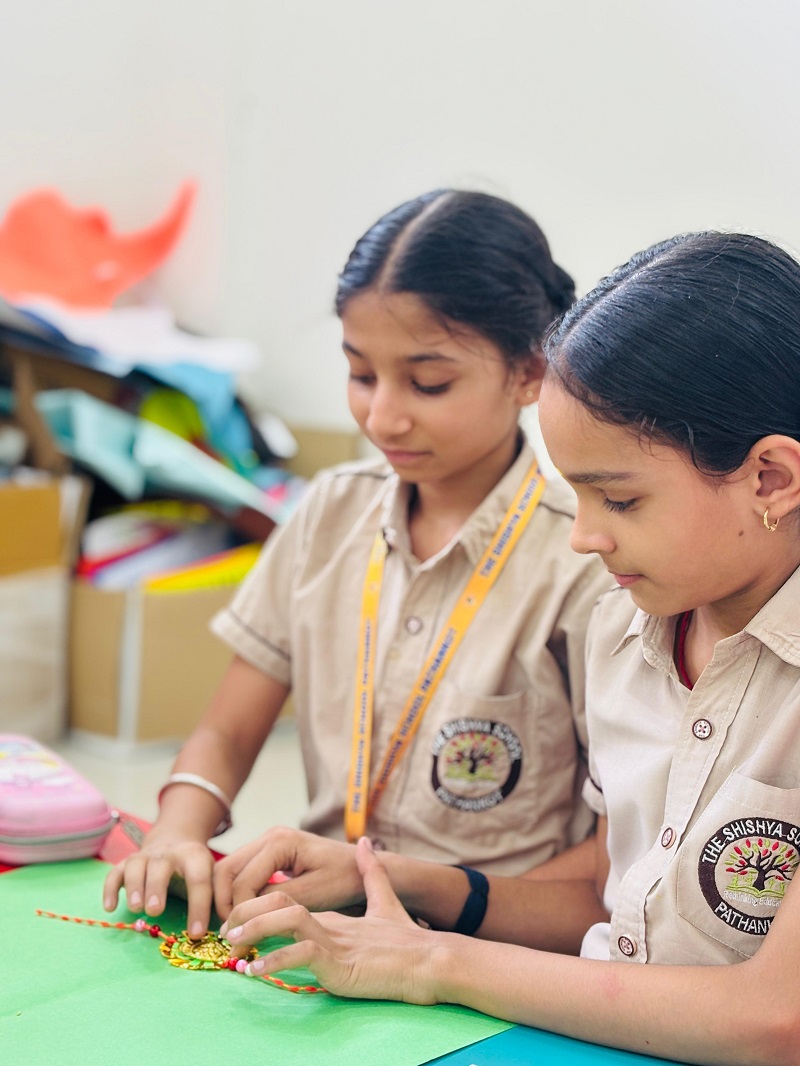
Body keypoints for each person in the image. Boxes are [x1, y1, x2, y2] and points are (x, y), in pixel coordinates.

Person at [217, 230, 800, 1065]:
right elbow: (610, 901)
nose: (583, 537)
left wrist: (432, 961)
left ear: (771, 479)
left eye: (620, 501)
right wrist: (391, 878)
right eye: (577, 495)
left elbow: (777, 1018)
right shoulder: (625, 627)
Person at [103, 189, 613, 937]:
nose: (382, 417)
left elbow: (609, 870)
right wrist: (178, 829)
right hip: (322, 924)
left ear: (530, 371)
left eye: (429, 383)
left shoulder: (586, 561)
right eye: (361, 375)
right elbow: (227, 733)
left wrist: (414, 906)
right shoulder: (329, 513)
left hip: (487, 942)